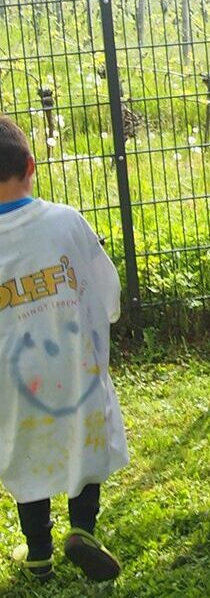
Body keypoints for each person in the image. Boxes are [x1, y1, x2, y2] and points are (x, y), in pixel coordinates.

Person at [0, 117, 127, 583]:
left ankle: (37, 552)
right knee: (83, 437)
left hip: (12, 378)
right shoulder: (65, 221)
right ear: (31, 165)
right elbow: (105, 288)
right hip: (75, 365)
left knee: (23, 447)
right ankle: (82, 530)